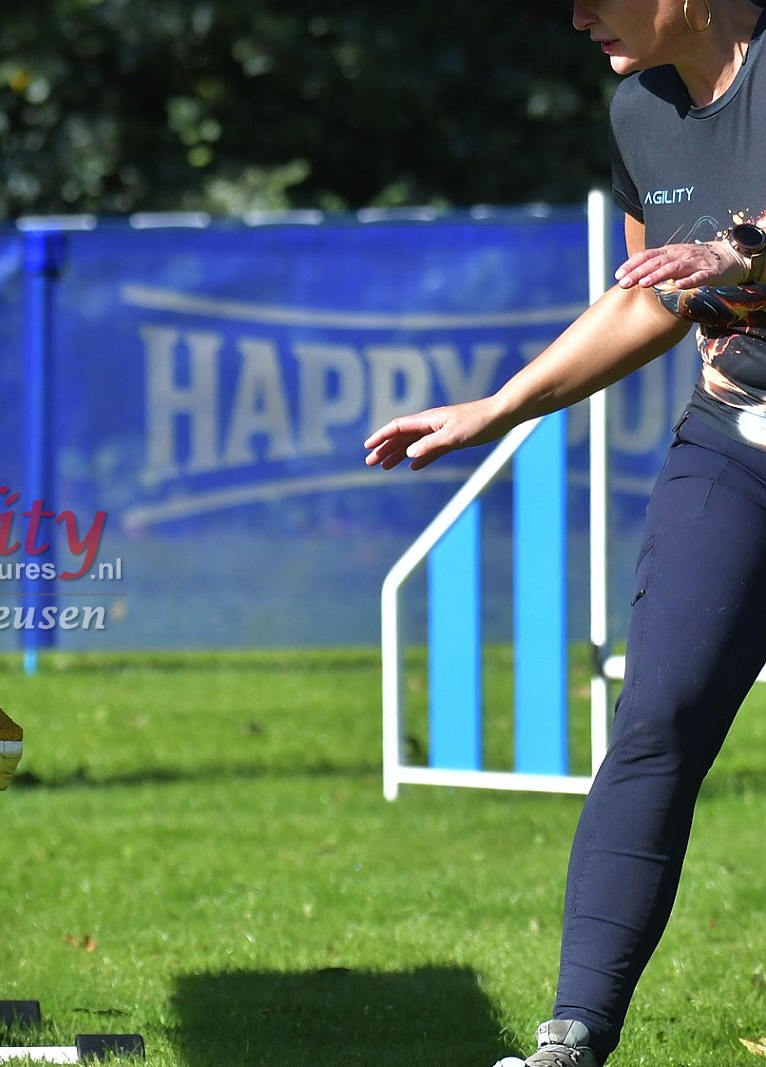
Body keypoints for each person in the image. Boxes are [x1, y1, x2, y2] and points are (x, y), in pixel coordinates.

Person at [365, 1, 766, 1064]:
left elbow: (723, 260)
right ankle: (571, 1039)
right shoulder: (640, 111)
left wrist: (737, 253)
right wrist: (497, 406)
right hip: (736, 444)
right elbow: (648, 298)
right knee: (658, 714)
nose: (577, 16)